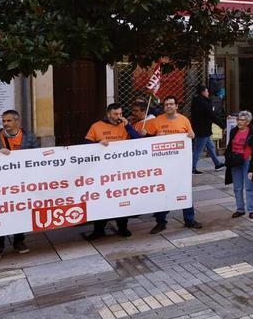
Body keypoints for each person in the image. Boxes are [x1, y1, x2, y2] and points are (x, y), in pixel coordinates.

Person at [0, 110, 41, 260]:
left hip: (21, 182)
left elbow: (37, 156)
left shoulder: (29, 137)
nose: (5, 124)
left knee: (18, 210)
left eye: (8, 121)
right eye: (3, 121)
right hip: (0, 183)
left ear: (17, 121)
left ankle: (19, 241)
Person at [81, 102, 142, 240]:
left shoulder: (124, 125)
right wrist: (97, 144)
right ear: (108, 114)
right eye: (116, 114)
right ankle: (99, 229)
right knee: (101, 200)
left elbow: (138, 140)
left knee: (122, 198)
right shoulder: (96, 126)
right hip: (102, 171)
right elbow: (85, 145)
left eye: (121, 113)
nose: (119, 116)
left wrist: (127, 126)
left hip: (121, 170)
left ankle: (123, 227)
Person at [147, 96, 201, 233]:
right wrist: (154, 137)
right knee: (162, 192)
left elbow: (190, 136)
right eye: (166, 104)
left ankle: (189, 219)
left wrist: (192, 135)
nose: (169, 106)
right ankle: (160, 222)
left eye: (171, 104)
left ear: (177, 106)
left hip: (180, 165)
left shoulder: (184, 120)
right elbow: (146, 139)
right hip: (162, 165)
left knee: (184, 190)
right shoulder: (156, 121)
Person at [224, 110, 253, 221]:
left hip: (247, 161)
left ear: (248, 122)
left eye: (242, 120)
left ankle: (251, 209)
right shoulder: (234, 131)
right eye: (238, 119)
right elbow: (229, 145)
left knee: (249, 186)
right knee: (237, 187)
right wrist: (228, 156)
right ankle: (240, 209)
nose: (239, 122)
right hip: (235, 161)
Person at [190, 85, 224, 174]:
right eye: (207, 91)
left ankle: (217, 164)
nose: (208, 93)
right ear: (203, 92)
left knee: (211, 146)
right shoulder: (203, 103)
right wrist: (222, 125)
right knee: (198, 149)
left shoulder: (196, 101)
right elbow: (211, 115)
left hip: (202, 129)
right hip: (203, 130)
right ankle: (192, 167)